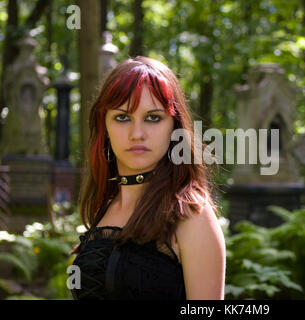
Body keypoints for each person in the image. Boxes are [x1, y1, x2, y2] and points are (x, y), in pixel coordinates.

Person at [69, 56, 226, 300]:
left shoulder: (191, 216)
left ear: (173, 126)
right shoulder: (105, 209)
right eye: (122, 117)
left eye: (153, 117)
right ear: (105, 127)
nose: (137, 134)